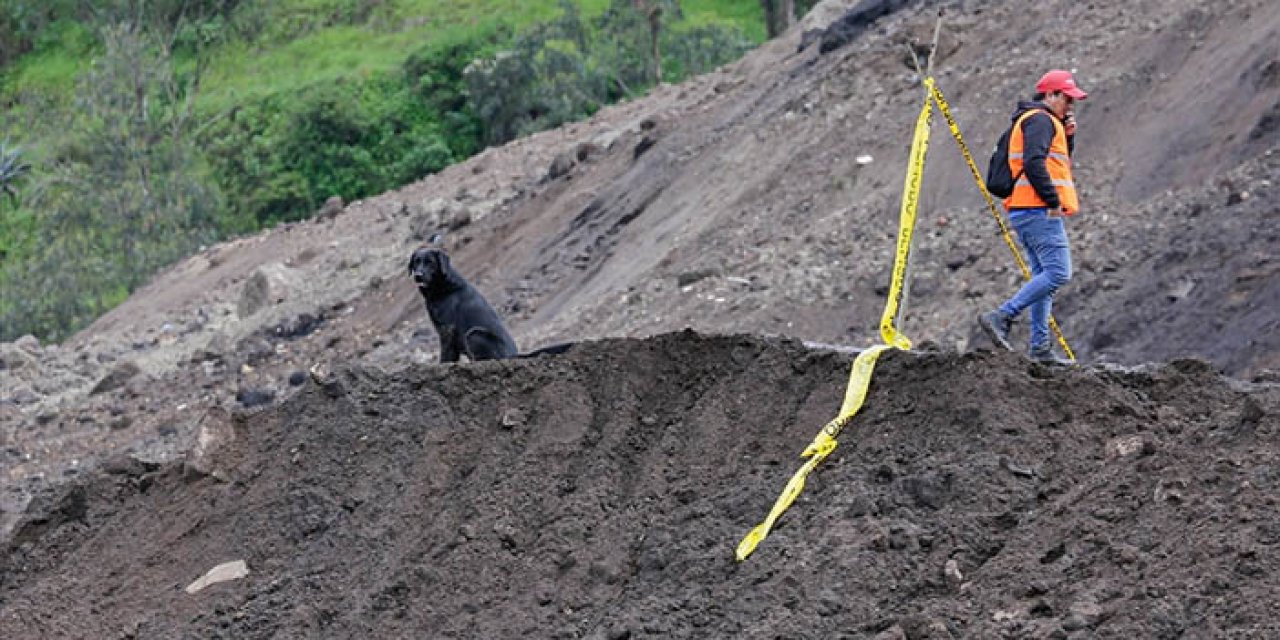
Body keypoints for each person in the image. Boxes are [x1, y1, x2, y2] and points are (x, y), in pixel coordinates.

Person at [978, 69, 1087, 364]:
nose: (1070, 105)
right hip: (1038, 209)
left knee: (1044, 277)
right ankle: (1002, 316)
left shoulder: (1042, 121)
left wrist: (1068, 137)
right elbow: (1035, 163)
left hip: (1026, 209)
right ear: (1050, 95)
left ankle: (1040, 348)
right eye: (1067, 98)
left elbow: (1055, 163)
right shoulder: (1040, 120)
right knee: (1058, 272)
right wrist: (1053, 201)